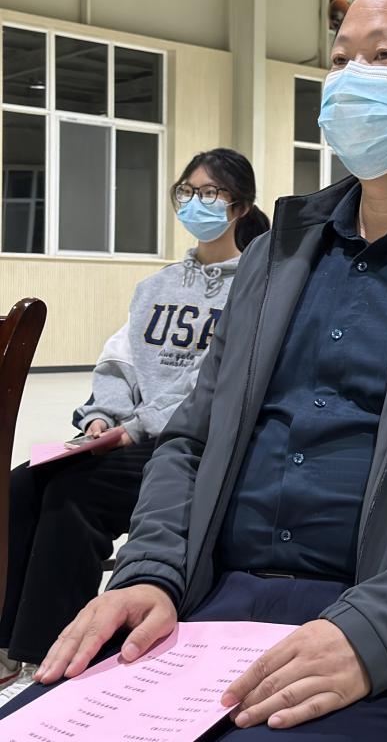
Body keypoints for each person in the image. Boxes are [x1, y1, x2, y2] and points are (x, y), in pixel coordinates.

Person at [6, 0, 387, 742]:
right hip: (213, 608)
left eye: (383, 57)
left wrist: (371, 633)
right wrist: (151, 569)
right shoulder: (276, 256)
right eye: (340, 59)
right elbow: (190, 440)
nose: (350, 80)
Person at [0, 148, 269, 702]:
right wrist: (102, 415)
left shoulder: (254, 286)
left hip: (184, 441)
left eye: (211, 193)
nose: (196, 203)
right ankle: (7, 642)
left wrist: (137, 427)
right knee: (23, 484)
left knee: (75, 493)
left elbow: (210, 381)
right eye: (187, 191)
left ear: (240, 206)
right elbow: (118, 361)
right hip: (125, 435)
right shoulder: (155, 286)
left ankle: (48, 649)